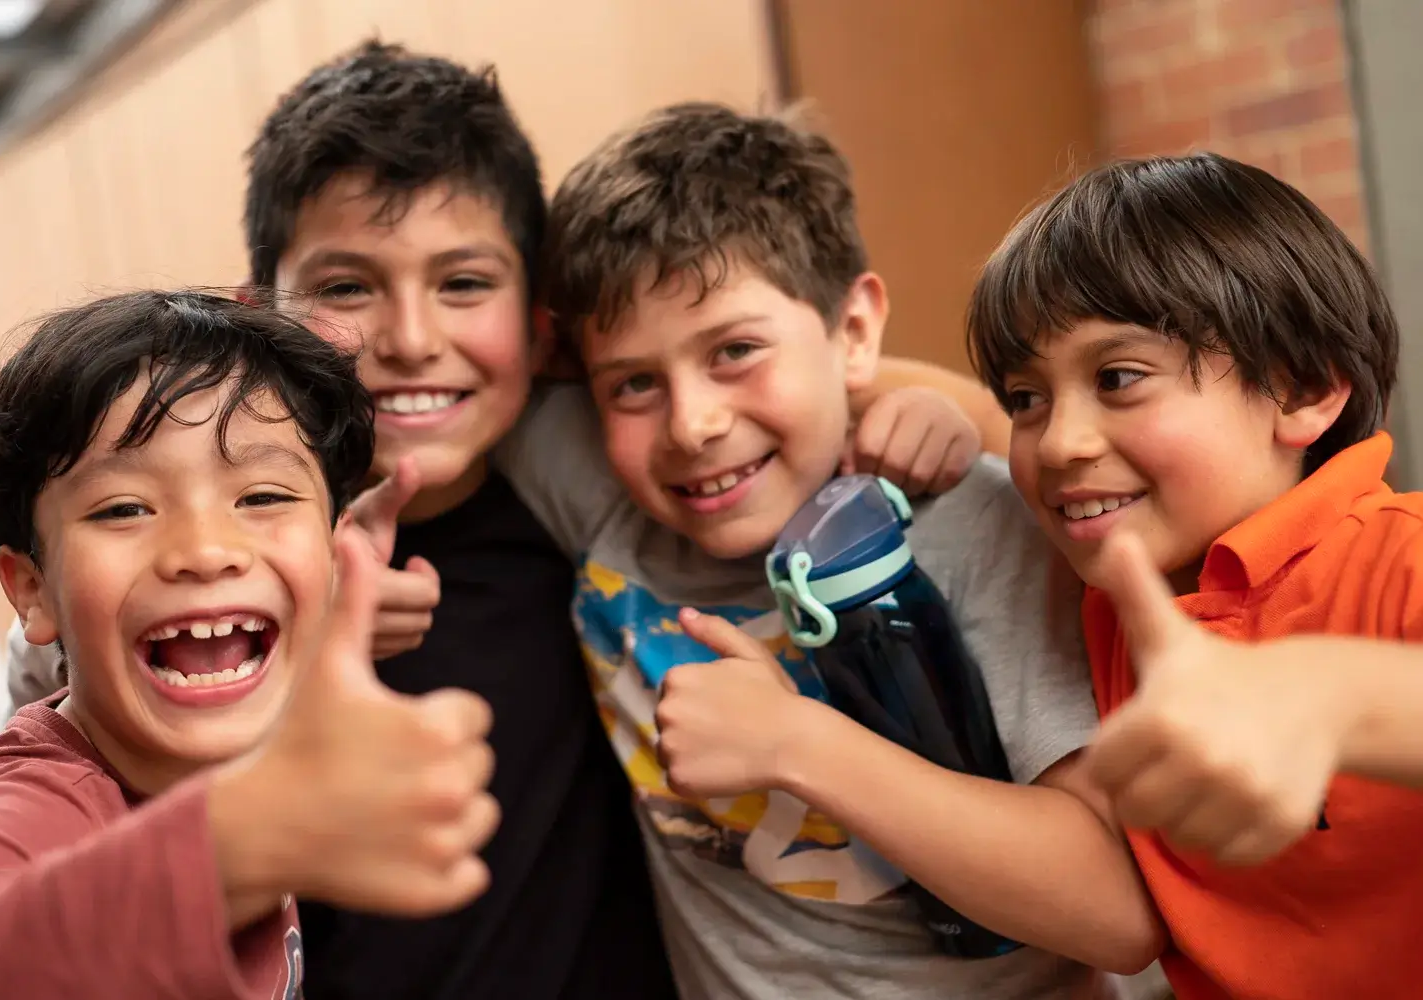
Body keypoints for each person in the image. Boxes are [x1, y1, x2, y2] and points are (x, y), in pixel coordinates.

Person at [0, 43, 1006, 998]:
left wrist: (921, 407)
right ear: (268, 312)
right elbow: (60, 679)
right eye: (346, 287)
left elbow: (775, 394)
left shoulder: (590, 461)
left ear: (539, 328)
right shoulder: (225, 556)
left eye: (465, 283)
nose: (412, 339)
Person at [488, 101, 1164, 999]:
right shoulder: (604, 487)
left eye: (735, 351)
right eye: (635, 383)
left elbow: (1117, 915)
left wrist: (796, 744)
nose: (693, 425)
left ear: (853, 332)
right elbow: (440, 364)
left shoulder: (966, 527)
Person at [0, 290, 499, 998]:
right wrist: (246, 840)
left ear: (332, 546)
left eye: (262, 497)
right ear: (33, 589)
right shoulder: (33, 801)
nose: (205, 550)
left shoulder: (272, 739)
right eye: (124, 508)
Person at [967, 151, 1423, 1000]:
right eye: (1026, 398)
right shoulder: (1117, 587)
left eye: (1119, 378)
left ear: (1300, 387)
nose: (1060, 442)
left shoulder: (1399, 554)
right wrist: (897, 403)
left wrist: (1327, 696)